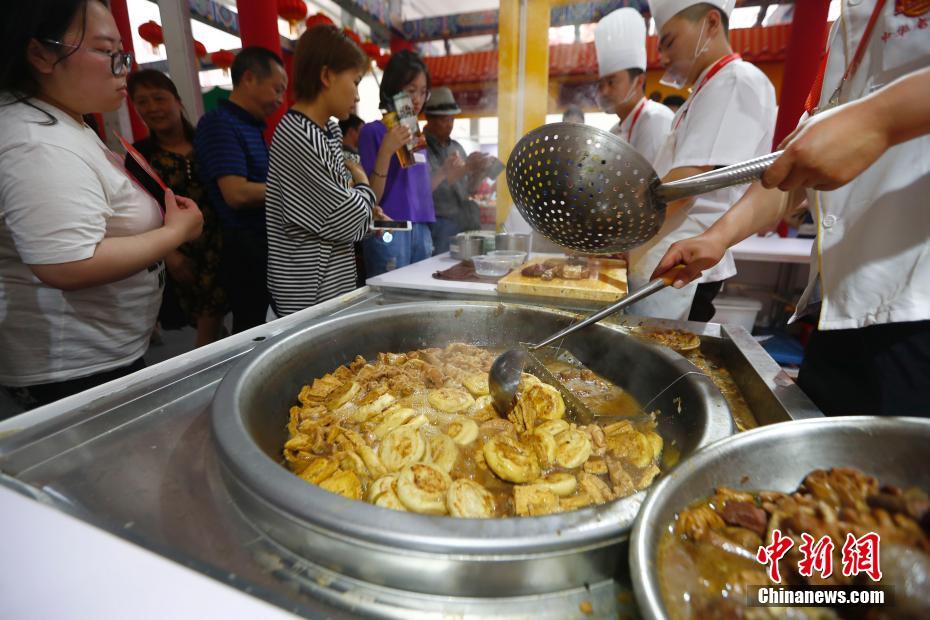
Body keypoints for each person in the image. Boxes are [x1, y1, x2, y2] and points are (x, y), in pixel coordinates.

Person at [652, 0, 930, 419]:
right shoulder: (849, 28)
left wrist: (880, 120)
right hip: (838, 311)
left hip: (915, 309)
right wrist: (717, 237)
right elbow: (792, 169)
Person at [0, 0, 203, 411]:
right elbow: (69, 263)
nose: (123, 67)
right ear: (41, 53)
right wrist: (174, 234)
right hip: (72, 371)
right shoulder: (35, 140)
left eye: (122, 54)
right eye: (108, 53)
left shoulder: (62, 120)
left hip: (99, 355)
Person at [625, 0, 776, 322]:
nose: (663, 58)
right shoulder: (707, 88)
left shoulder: (735, 81)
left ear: (710, 23)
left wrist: (618, 225)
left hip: (687, 264)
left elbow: (686, 183)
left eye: (669, 42)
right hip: (667, 256)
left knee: (662, 362)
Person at [266, 26, 381, 316]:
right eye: (354, 81)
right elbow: (348, 218)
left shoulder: (326, 129)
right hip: (308, 297)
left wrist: (365, 211)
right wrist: (363, 182)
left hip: (329, 287)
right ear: (327, 75)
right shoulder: (298, 134)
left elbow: (345, 206)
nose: (356, 95)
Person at [127, 69, 226, 347]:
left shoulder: (205, 142)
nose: (152, 108)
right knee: (202, 318)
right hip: (178, 247)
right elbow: (141, 211)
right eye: (142, 102)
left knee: (213, 317)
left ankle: (208, 361)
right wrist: (169, 253)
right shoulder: (139, 156)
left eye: (159, 98)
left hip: (219, 242)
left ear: (178, 101)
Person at [194, 47, 287, 333]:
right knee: (253, 329)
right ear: (248, 78)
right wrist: (293, 190)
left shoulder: (252, 126)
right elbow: (236, 193)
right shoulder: (219, 124)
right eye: (277, 89)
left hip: (263, 245)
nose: (280, 100)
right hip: (245, 247)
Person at [358, 50, 435, 276]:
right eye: (411, 91)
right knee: (389, 300)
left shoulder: (417, 136)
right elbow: (370, 198)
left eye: (423, 92)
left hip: (421, 228)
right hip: (389, 227)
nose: (417, 99)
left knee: (421, 297)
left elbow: (420, 190)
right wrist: (386, 151)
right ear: (392, 90)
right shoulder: (373, 132)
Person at [594, 7, 673, 166]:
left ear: (639, 81)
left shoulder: (655, 119)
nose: (604, 91)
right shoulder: (614, 131)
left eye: (611, 82)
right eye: (601, 84)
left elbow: (651, 186)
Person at [423, 87, 491, 253]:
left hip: (463, 221)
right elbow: (425, 188)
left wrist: (479, 172)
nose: (449, 125)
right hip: (438, 223)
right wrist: (464, 168)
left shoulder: (457, 147)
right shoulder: (420, 147)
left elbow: (469, 189)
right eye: (444, 120)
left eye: (452, 120)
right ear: (429, 119)